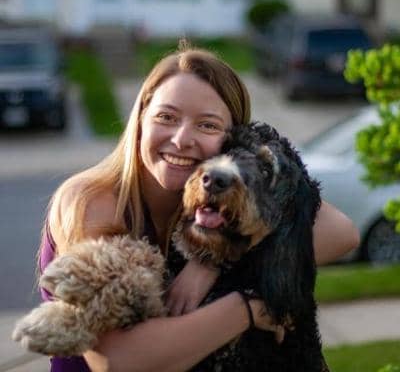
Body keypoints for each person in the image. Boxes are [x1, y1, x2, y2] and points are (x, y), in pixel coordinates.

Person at [39, 42, 360, 372]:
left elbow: (341, 231)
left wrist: (209, 262)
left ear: (234, 142)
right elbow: (118, 361)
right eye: (166, 117)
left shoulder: (213, 207)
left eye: (207, 125)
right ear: (141, 119)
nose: (181, 139)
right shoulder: (94, 201)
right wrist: (247, 309)